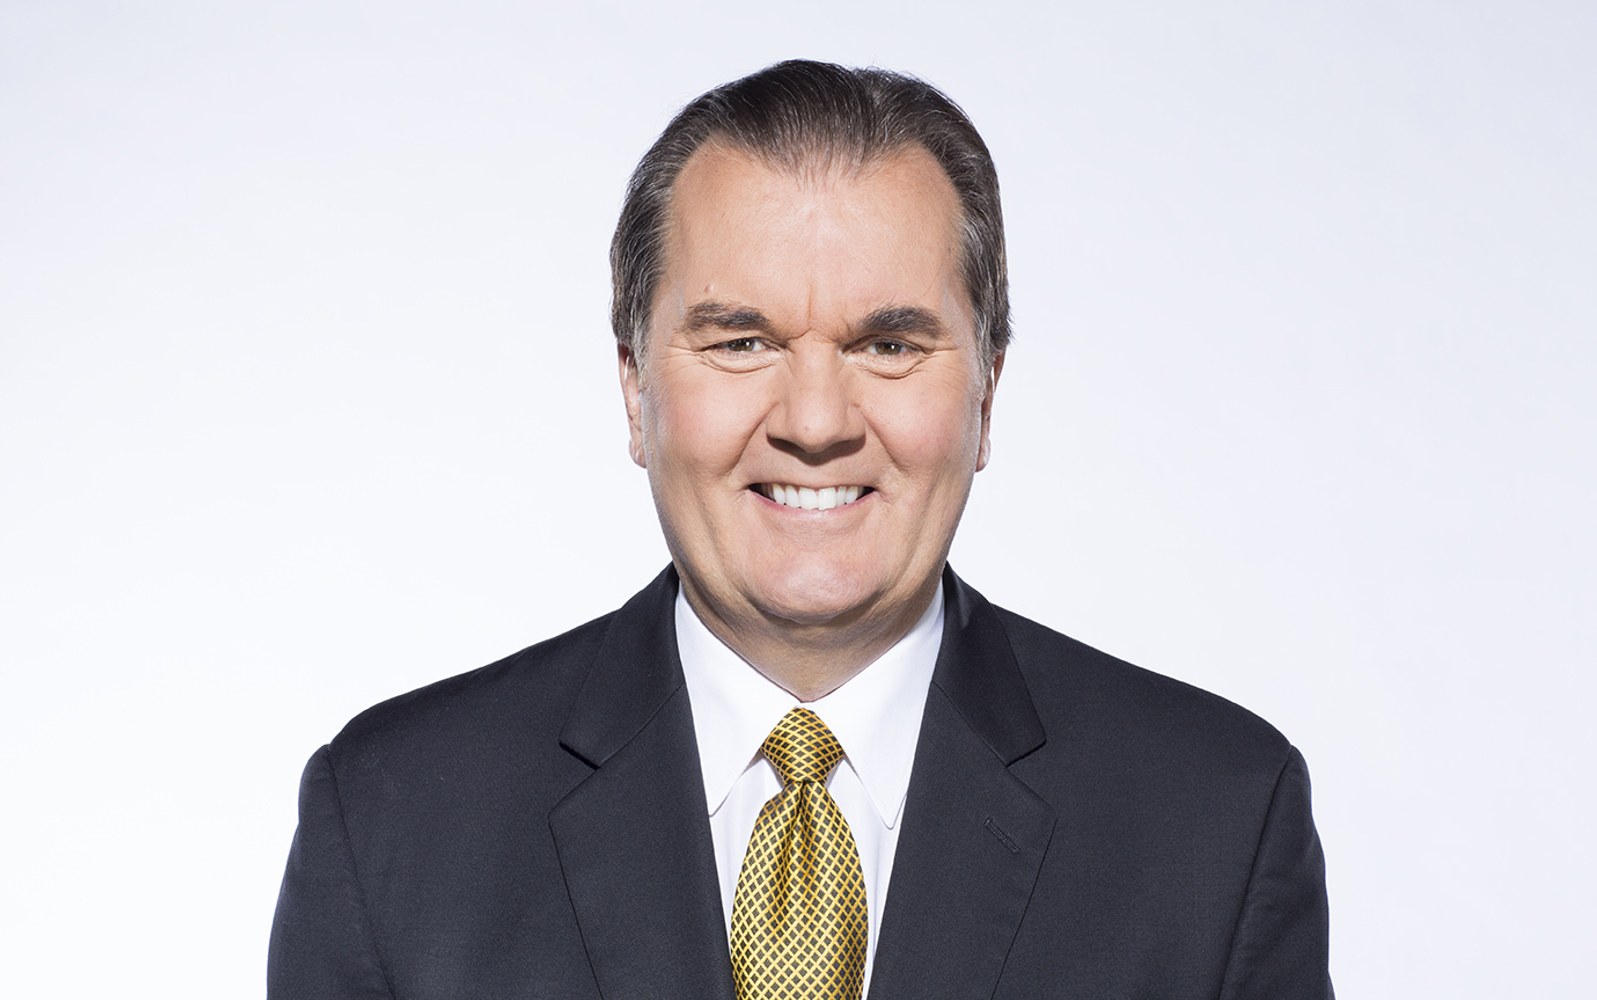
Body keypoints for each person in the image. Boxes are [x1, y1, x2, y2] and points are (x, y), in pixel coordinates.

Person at [269, 60, 1332, 999]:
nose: (815, 422)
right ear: (635, 390)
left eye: (888, 346)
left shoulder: (1215, 824)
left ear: (988, 396)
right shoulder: (393, 822)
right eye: (740, 342)